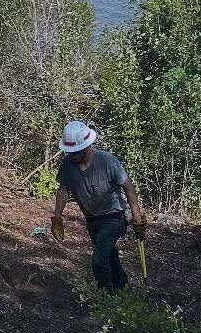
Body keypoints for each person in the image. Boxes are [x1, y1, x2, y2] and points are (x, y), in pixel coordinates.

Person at [49, 120, 146, 293]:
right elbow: (63, 190)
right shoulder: (66, 165)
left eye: (76, 152)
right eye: (69, 152)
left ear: (86, 147)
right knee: (109, 255)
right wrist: (57, 218)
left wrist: (136, 216)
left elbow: (128, 186)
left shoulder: (107, 161)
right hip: (92, 219)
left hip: (115, 216)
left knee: (99, 260)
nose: (72, 156)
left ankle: (106, 298)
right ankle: (123, 287)